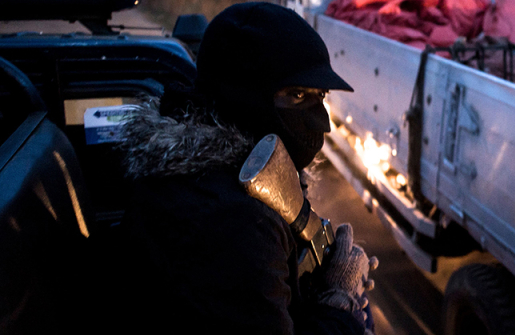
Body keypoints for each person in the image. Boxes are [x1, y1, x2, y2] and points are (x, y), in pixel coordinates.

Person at [98, 3, 377, 334]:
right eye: (298, 94)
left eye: (321, 96)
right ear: (245, 98)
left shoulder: (241, 180)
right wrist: (340, 303)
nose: (322, 122)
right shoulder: (231, 219)